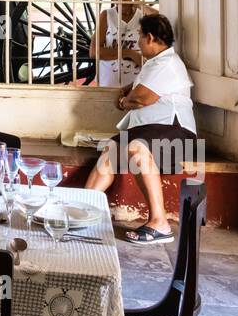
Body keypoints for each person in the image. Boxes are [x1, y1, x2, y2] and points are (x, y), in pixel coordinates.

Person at [85, 13, 199, 244]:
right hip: (150, 129)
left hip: (175, 132)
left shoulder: (167, 63)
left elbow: (142, 98)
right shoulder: (156, 63)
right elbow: (135, 90)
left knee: (136, 149)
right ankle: (82, 211)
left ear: (149, 37)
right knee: (110, 152)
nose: (136, 41)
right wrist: (128, 93)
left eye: (139, 36)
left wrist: (126, 101)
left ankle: (160, 223)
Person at [90, 0, 156, 88]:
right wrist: (130, 53)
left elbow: (163, 20)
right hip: (107, 85)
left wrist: (139, 5)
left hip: (138, 86)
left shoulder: (144, 15)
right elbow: (94, 52)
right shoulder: (107, 15)